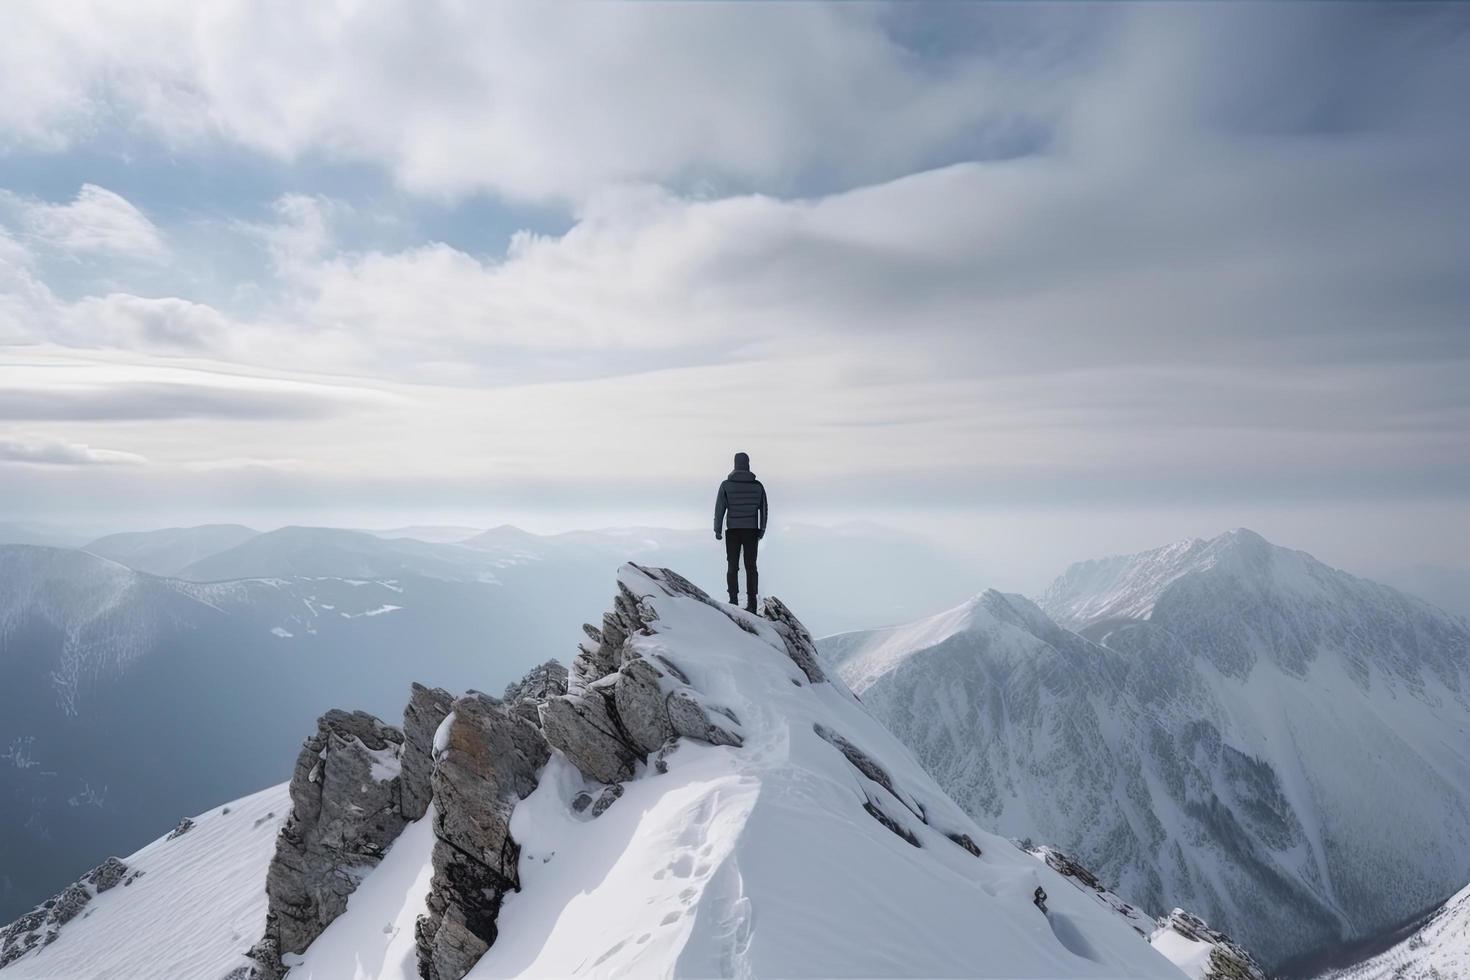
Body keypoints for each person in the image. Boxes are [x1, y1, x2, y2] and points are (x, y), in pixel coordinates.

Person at [714, 451, 768, 612]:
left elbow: (719, 509)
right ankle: (752, 603)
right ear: (748, 464)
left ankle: (733, 601)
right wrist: (762, 530)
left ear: (735, 464)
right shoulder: (757, 486)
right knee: (751, 567)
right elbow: (764, 510)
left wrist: (718, 529)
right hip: (751, 530)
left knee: (732, 566)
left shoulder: (726, 485)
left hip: (733, 530)